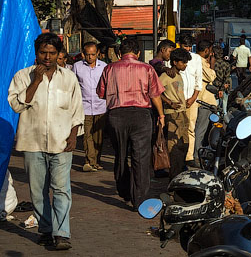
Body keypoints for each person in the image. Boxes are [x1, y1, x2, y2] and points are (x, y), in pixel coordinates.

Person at [7, 32, 83, 251]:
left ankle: (62, 234)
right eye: (43, 53)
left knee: (61, 189)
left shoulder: (68, 77)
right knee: (38, 190)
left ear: (59, 54)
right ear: (36, 53)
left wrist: (73, 136)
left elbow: (76, 108)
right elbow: (17, 105)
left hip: (61, 142)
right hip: (32, 142)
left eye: (52, 53)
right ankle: (45, 229)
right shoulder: (23, 76)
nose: (47, 58)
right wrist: (36, 81)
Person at [96, 37, 164, 210]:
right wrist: (161, 115)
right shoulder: (147, 68)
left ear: (120, 53)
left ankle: (124, 190)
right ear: (138, 53)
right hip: (141, 115)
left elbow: (101, 93)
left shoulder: (109, 68)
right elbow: (155, 94)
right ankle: (139, 199)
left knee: (120, 155)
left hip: (116, 115)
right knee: (140, 158)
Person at [71, 41, 108, 172]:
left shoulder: (104, 67)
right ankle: (89, 161)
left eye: (93, 54)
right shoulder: (77, 67)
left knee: (98, 136)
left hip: (101, 106)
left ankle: (96, 160)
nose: (90, 57)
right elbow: (73, 85)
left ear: (97, 53)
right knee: (87, 135)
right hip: (84, 106)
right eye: (88, 54)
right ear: (83, 54)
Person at [159, 47, 192, 177]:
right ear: (174, 62)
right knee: (174, 147)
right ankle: (174, 177)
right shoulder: (166, 75)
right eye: (182, 62)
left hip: (182, 112)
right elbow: (156, 92)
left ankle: (179, 173)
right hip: (173, 114)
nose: (185, 65)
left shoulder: (177, 75)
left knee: (183, 144)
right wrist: (169, 102)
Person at [178, 34, 203, 166]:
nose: (187, 48)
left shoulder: (196, 58)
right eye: (184, 46)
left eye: (189, 46)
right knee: (177, 129)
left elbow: (198, 80)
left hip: (192, 100)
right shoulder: (174, 58)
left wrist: (193, 98)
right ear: (179, 45)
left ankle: (189, 157)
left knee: (190, 128)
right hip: (177, 100)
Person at [208, 43, 233, 118]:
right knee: (224, 109)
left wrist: (219, 90)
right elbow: (226, 78)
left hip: (214, 89)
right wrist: (222, 89)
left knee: (216, 109)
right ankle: (225, 124)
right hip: (224, 88)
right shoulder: (226, 65)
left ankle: (216, 124)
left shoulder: (211, 64)